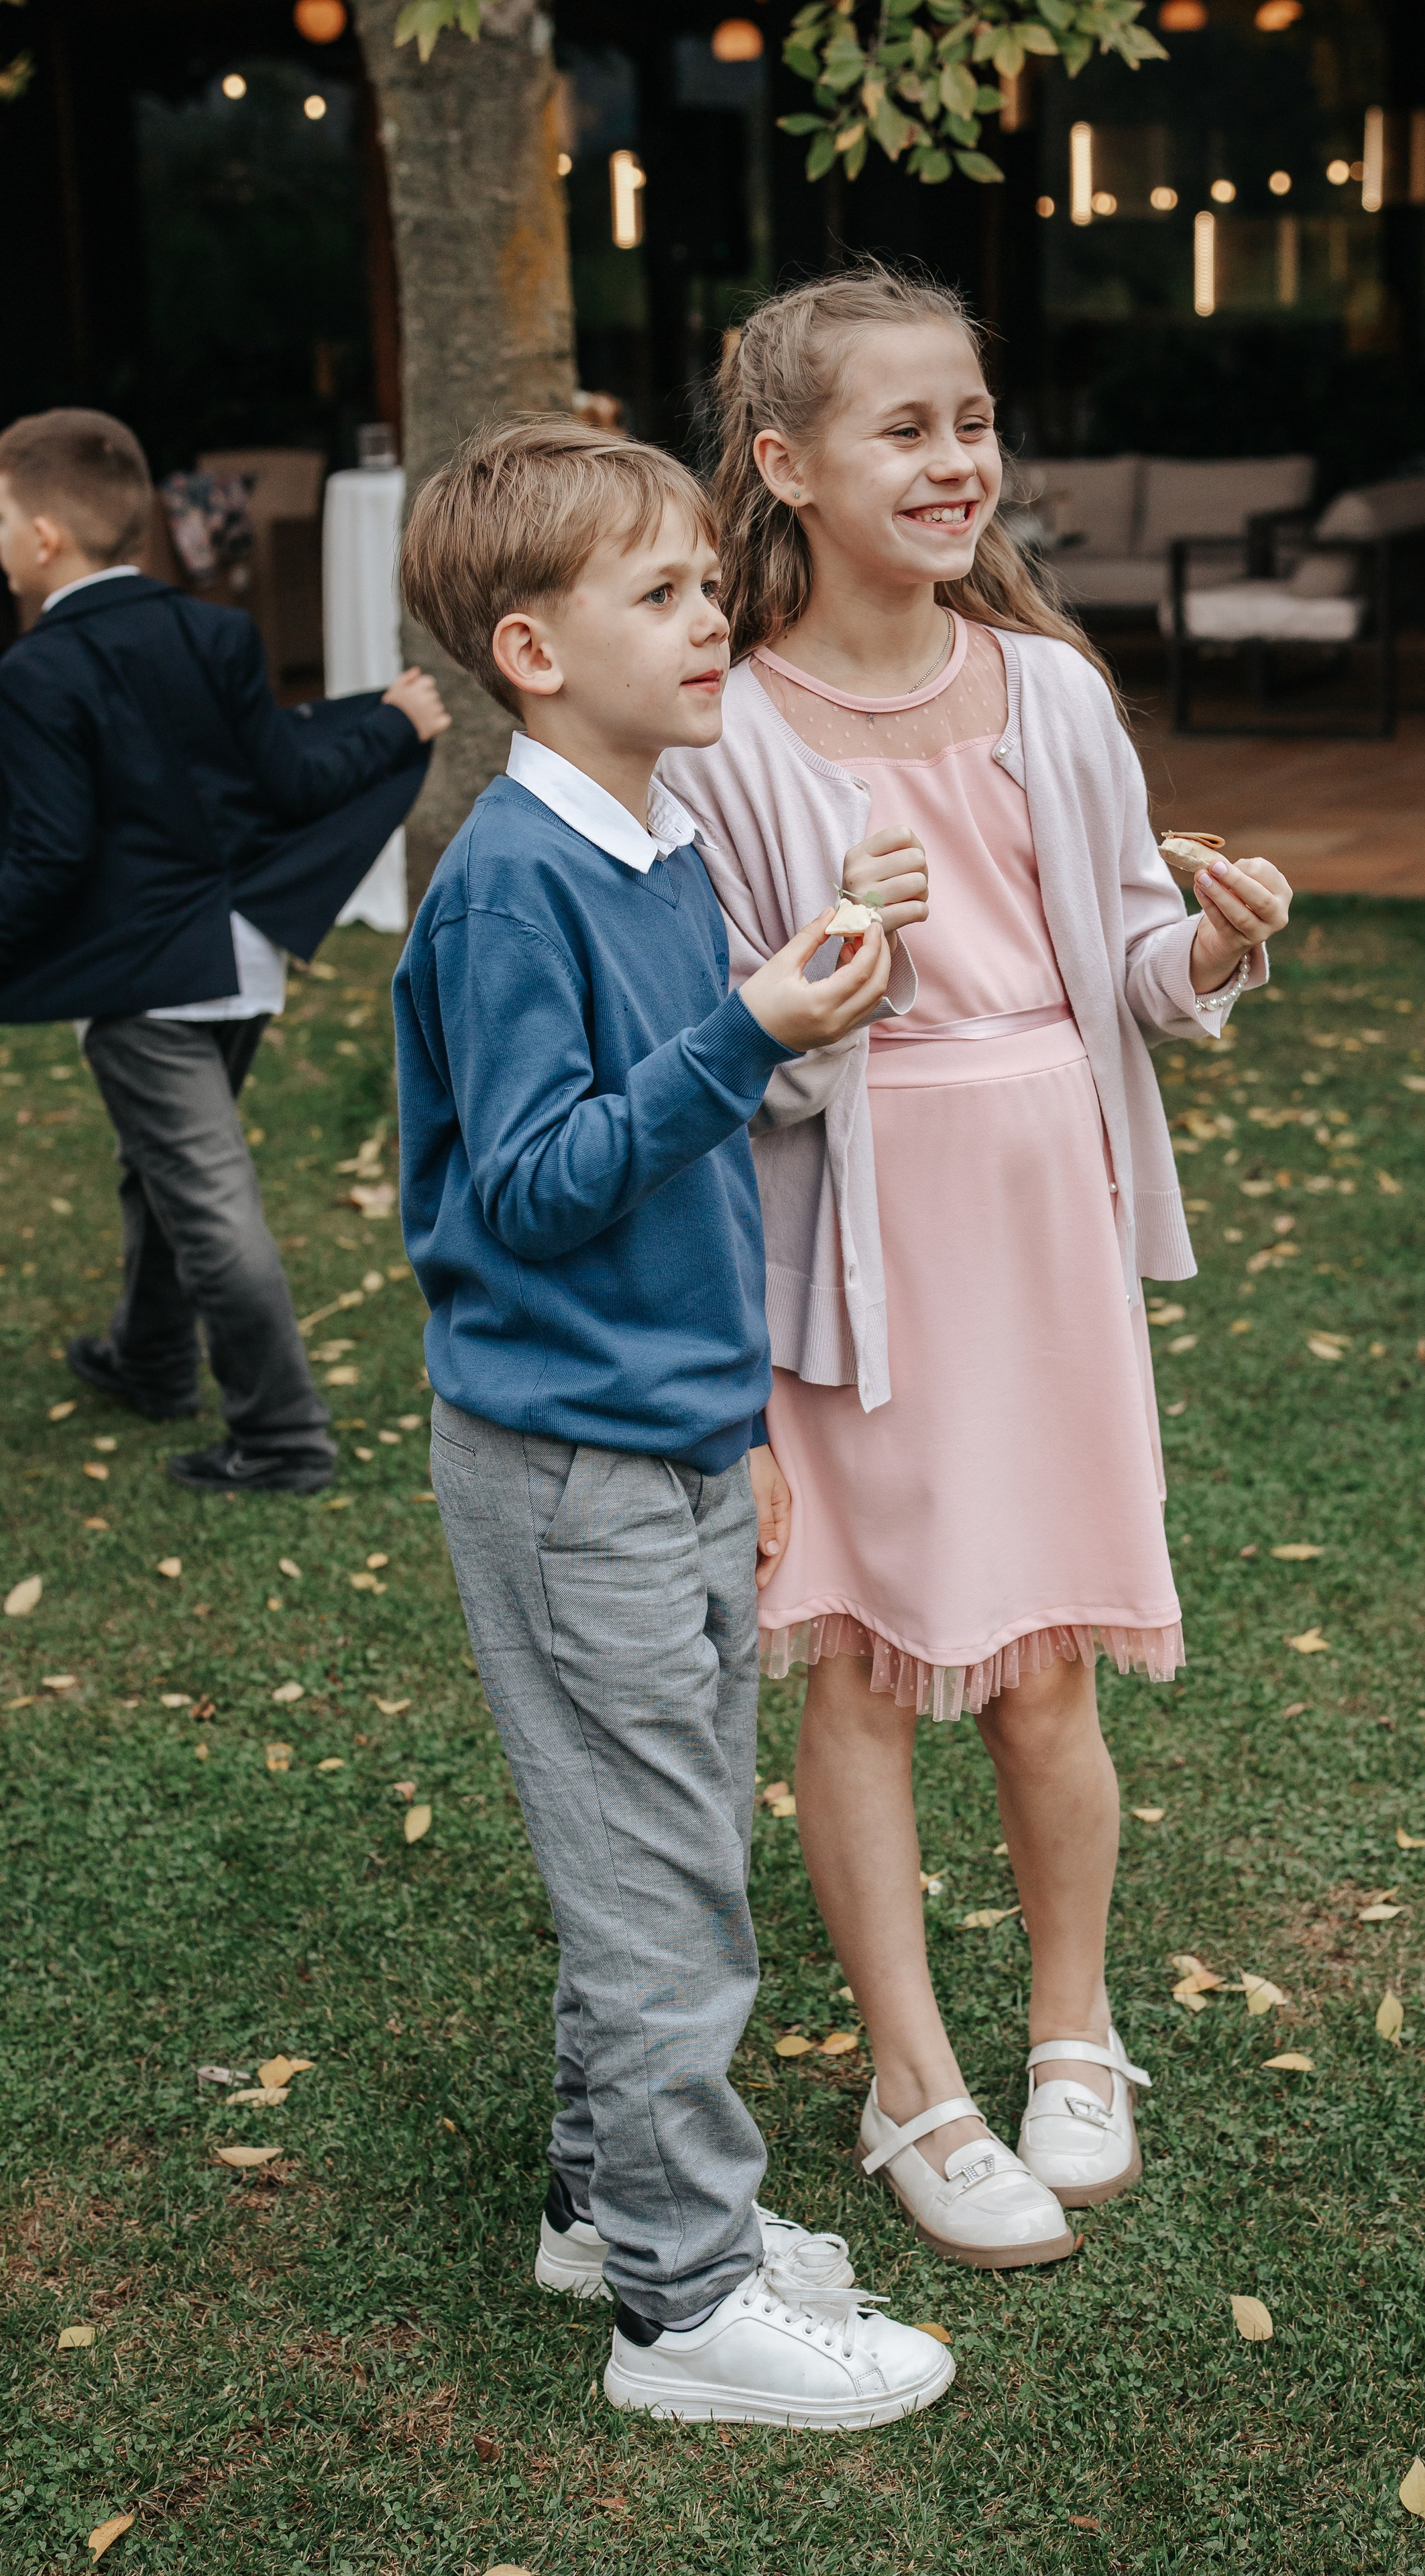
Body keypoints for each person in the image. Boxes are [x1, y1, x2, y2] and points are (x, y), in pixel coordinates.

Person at [660, 265, 1294, 2270]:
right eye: (901, 430)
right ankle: (914, 2083)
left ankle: (1075, 2029)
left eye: (970, 424)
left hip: (1043, 1222)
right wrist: (830, 983)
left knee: (1045, 1665)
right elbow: (726, 1051)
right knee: (859, 1662)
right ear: (785, 465)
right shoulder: (726, 730)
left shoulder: (1054, 693)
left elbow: (1120, 961)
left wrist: (1204, 947)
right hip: (850, 1238)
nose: (954, 464)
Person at [392, 414, 954, 2428]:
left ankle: (597, 2206)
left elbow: (692, 1147)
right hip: (566, 1471)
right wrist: (749, 1032)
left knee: (660, 1846)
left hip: (670, 1441)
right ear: (533, 652)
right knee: (664, 1895)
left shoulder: (660, 843)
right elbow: (533, 1187)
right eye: (665, 593)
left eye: (713, 583)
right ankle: (686, 2307)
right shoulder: (508, 885)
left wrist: (811, 997)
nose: (716, 615)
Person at [0, 406, 446, 1494]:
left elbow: (51, 856)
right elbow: (286, 787)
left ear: (49, 535)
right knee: (163, 1170)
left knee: (207, 1198)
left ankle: (282, 1436)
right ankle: (150, 1356)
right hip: (244, 962)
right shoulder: (215, 633)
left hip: (151, 979)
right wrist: (388, 724)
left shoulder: (36, 671)